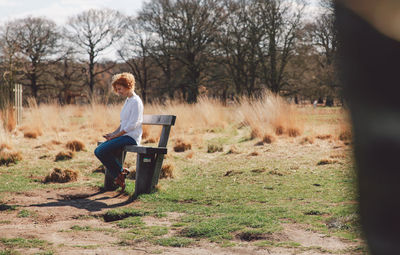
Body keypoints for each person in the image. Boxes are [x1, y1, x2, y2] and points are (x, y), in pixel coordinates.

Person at [94, 72, 143, 191]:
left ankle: (119, 173)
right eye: (117, 89)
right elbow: (123, 124)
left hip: (131, 137)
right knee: (99, 150)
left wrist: (116, 135)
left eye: (120, 89)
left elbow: (132, 125)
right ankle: (120, 173)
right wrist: (113, 133)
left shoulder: (136, 102)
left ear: (128, 86)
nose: (118, 91)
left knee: (100, 150)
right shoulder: (128, 101)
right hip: (124, 136)